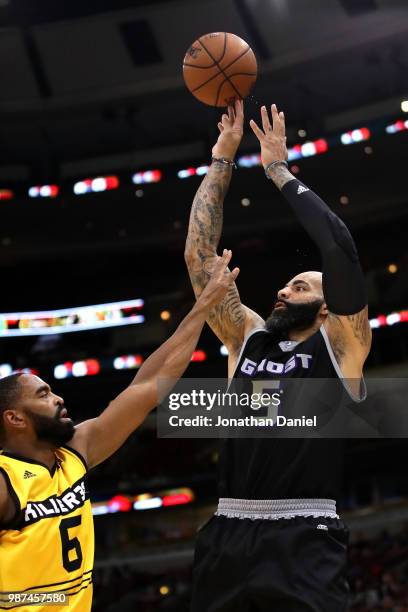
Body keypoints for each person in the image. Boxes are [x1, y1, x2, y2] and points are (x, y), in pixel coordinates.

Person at [184, 100, 372, 611]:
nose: (283, 291)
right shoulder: (248, 337)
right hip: (227, 529)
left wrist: (277, 169)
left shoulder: (341, 346)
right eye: (286, 283)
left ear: (328, 302)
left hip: (303, 531)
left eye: (299, 284)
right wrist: (222, 159)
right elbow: (199, 258)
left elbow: (339, 246)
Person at [0, 250, 239, 612]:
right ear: (14, 418)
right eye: (44, 394)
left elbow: (152, 383)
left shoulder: (77, 451)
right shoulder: (5, 481)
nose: (59, 398)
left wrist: (203, 305)